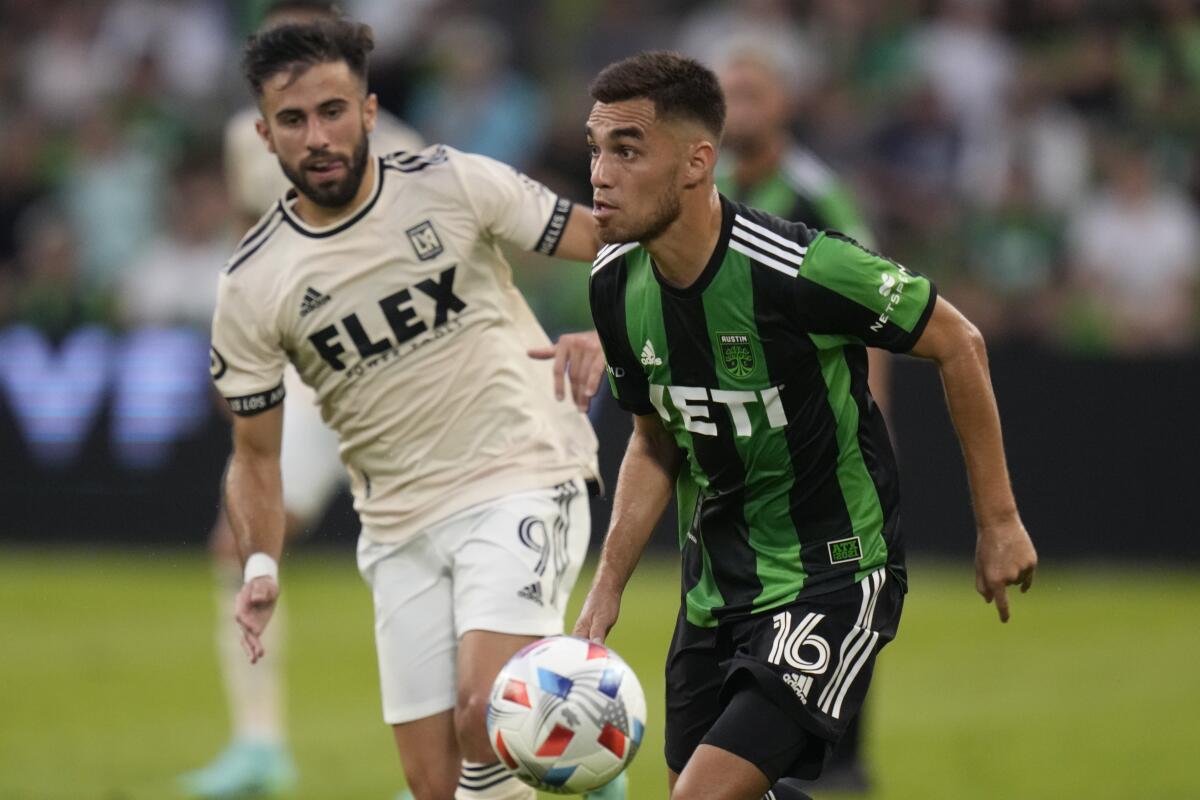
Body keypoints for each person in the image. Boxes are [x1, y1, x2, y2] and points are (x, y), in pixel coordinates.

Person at [575, 51, 1038, 800]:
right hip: (714, 588)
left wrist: (999, 520)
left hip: (834, 570)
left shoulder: (800, 267)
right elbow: (654, 440)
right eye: (595, 150)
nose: (600, 172)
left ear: (697, 162)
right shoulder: (612, 283)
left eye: (627, 150)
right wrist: (607, 588)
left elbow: (959, 341)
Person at [210, 18, 625, 800]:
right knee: (432, 785)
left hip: (522, 471)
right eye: (294, 120)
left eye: (333, 110)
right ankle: (578, 764)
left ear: (368, 111)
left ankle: (560, 746)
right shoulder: (252, 281)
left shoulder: (453, 182)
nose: (318, 135)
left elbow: (614, 238)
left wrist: (613, 331)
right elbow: (256, 456)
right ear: (265, 136)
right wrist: (261, 561)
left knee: (484, 714)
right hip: (398, 522)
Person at [180, 3, 425, 797]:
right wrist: (243, 364)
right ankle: (259, 746)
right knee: (241, 542)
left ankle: (503, 745)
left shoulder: (407, 151)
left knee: (435, 549)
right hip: (308, 374)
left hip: (399, 370)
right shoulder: (246, 138)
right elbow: (251, 243)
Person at [715, 46, 884, 794]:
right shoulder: (706, 189)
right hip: (742, 444)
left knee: (837, 588)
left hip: (820, 439)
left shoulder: (819, 197)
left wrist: (870, 424)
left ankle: (841, 767)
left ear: (784, 104)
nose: (740, 107)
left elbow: (881, 313)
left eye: (753, 92)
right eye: (729, 95)